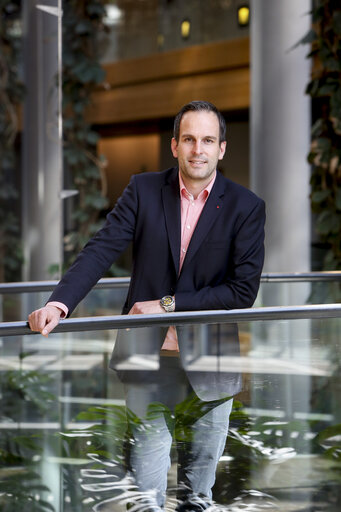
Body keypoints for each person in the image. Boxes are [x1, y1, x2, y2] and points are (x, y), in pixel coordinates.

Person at [28, 100, 265, 511]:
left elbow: (242, 291)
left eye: (208, 140)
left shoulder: (246, 207)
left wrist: (169, 304)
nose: (198, 149)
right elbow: (100, 251)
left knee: (198, 496)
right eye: (189, 139)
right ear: (174, 145)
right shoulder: (143, 190)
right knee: (144, 495)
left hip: (211, 368)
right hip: (147, 365)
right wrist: (59, 304)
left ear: (221, 149)